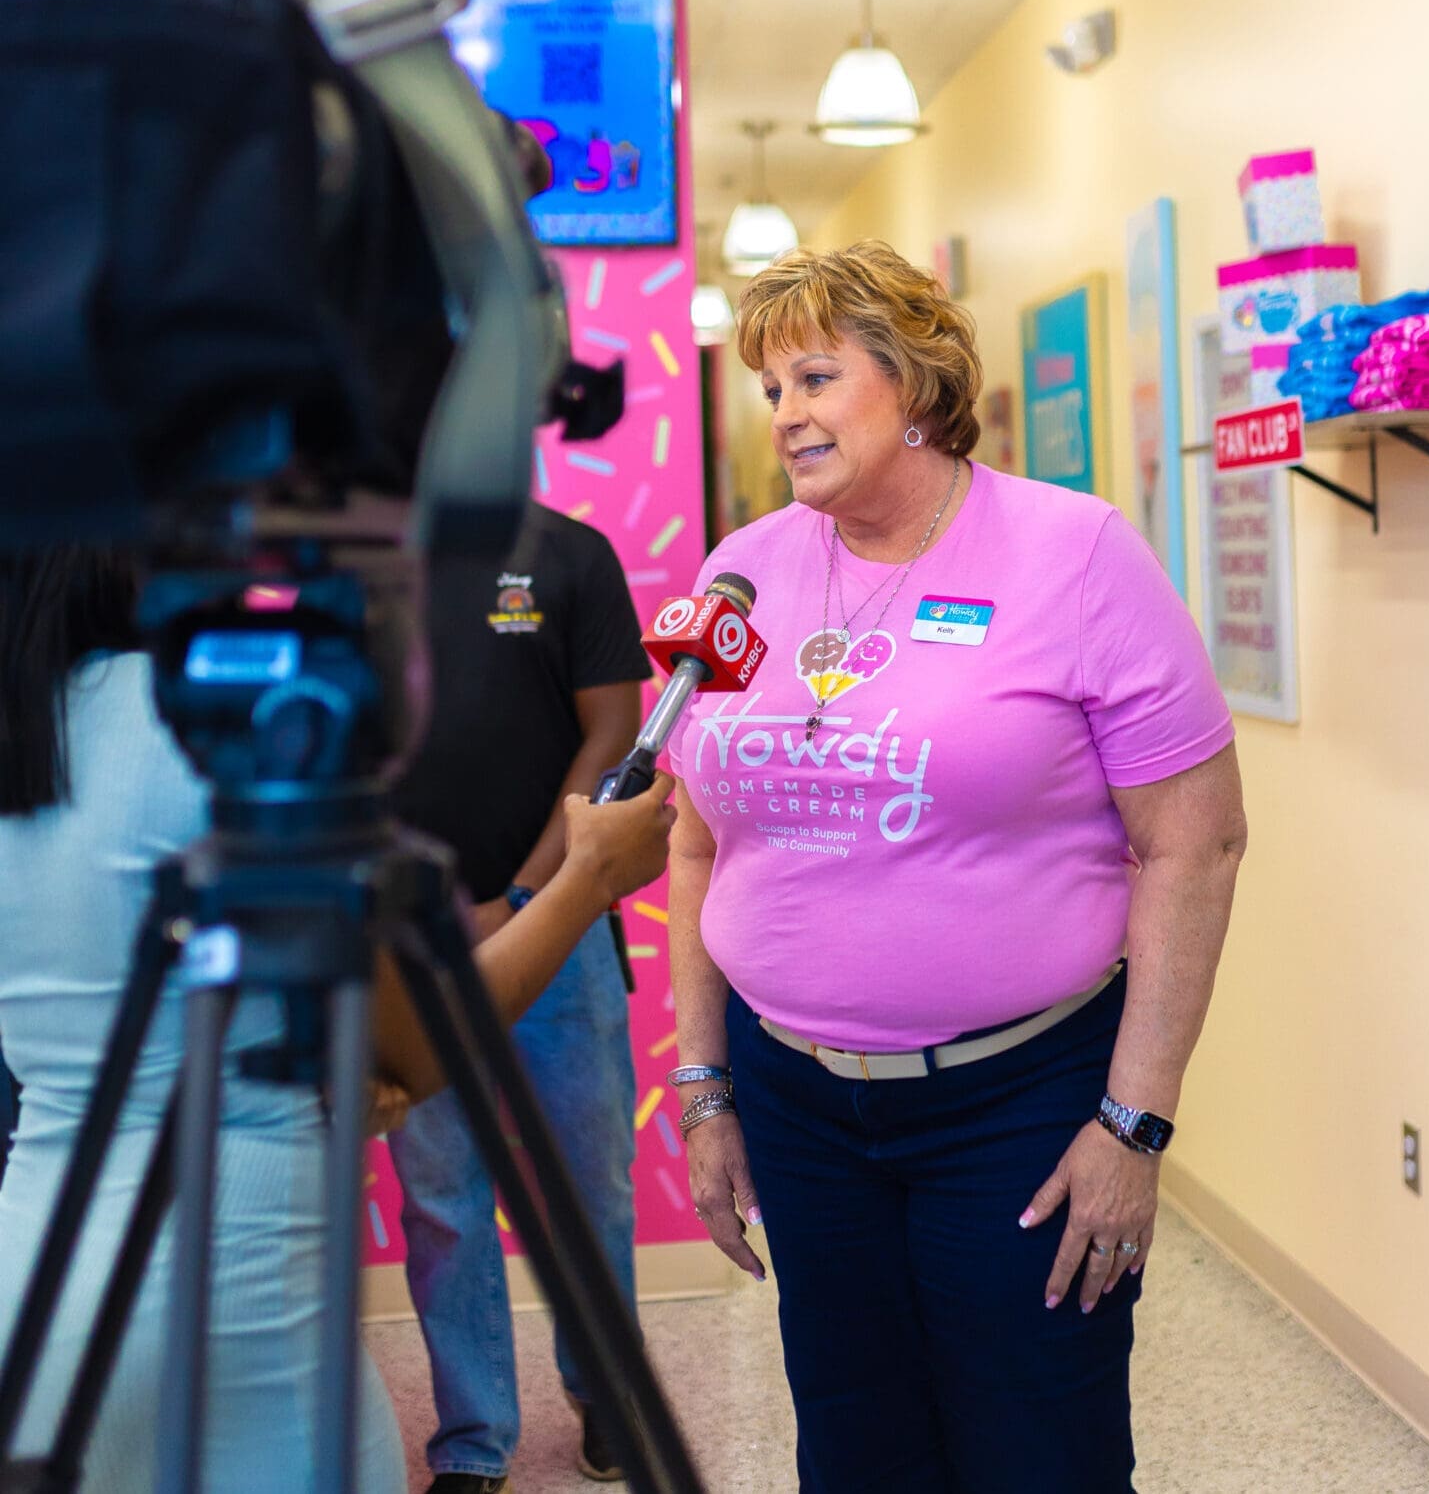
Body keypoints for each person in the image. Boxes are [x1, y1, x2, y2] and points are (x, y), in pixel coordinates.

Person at [661, 241, 1248, 1494]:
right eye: (771, 390)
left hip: (1019, 1103)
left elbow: (1193, 843)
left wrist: (1132, 1125)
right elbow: (695, 836)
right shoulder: (739, 573)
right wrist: (706, 1086)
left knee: (1041, 1449)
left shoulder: (1075, 554)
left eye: (816, 377)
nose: (788, 416)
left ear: (919, 385)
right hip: (799, 1101)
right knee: (857, 1445)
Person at [0, 547, 675, 1493]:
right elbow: (423, 1045)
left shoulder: (26, 729)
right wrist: (589, 877)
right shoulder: (232, 729)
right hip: (232, 1306)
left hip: (32, 1288)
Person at [388, 502, 652, 1491]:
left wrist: (522, 900)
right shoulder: (367, 557)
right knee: (442, 1199)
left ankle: (606, 1395)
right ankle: (472, 1439)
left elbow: (614, 737)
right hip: (409, 942)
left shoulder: (571, 552)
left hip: (563, 933)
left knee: (589, 1186)